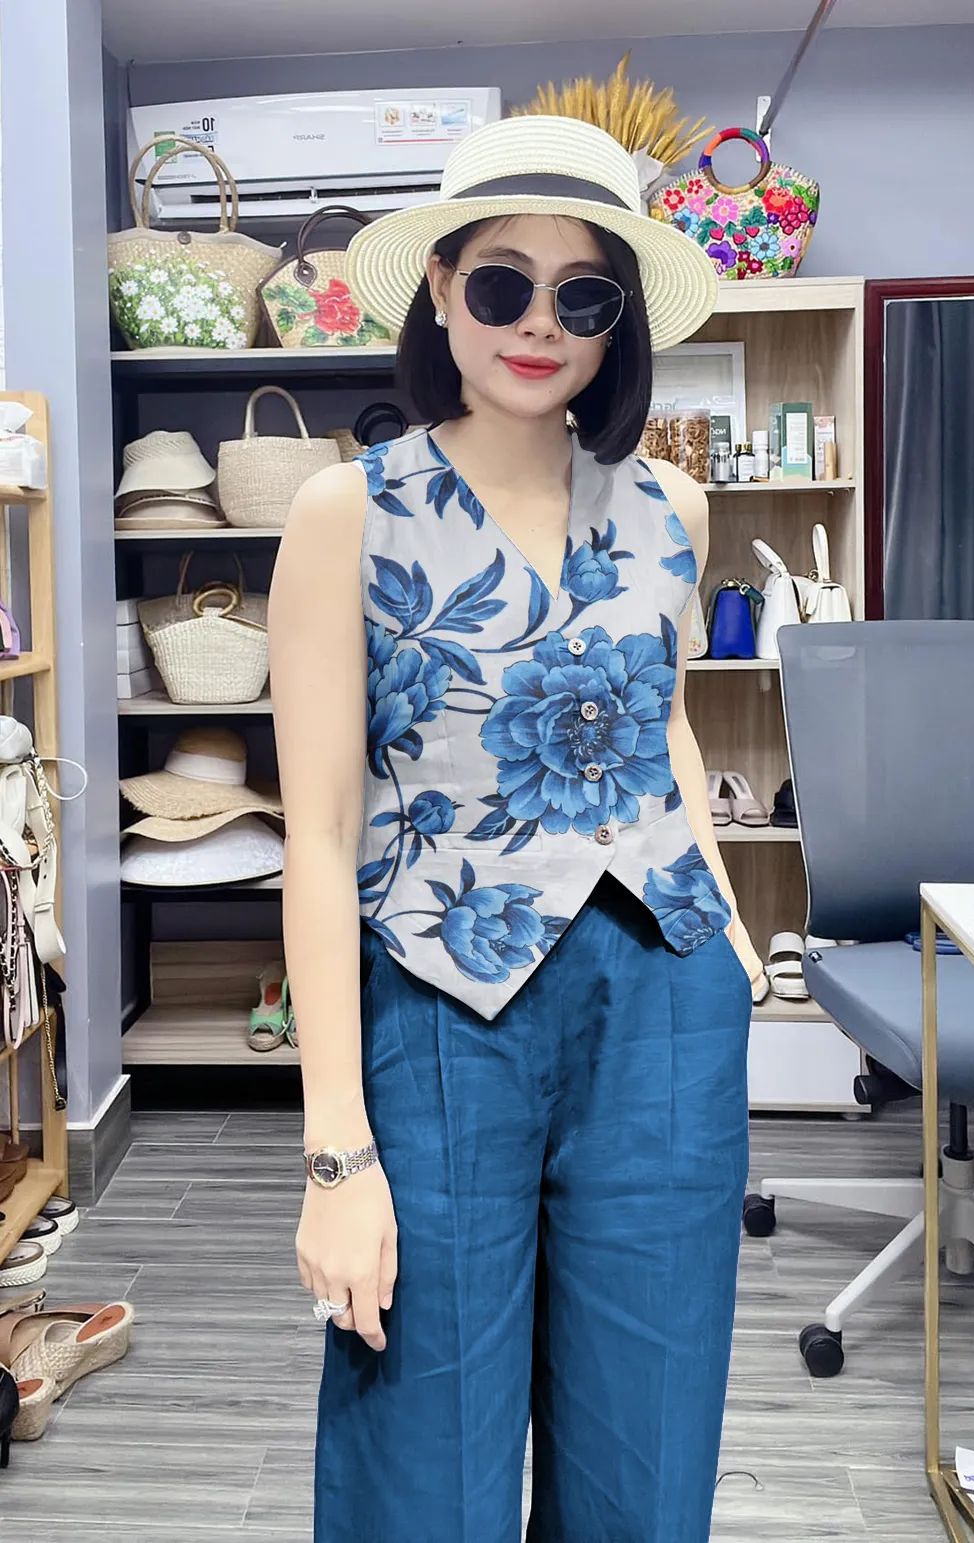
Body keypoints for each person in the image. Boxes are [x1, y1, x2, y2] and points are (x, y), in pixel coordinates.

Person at [268, 112, 766, 1543]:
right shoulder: (348, 513)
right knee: (424, 1447)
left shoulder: (671, 505)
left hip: (663, 998)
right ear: (441, 289)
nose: (539, 323)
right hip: (443, 996)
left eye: (582, 295)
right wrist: (334, 1153)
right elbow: (320, 830)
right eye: (502, 282)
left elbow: (665, 720)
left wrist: (729, 931)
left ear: (618, 320)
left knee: (647, 1442)